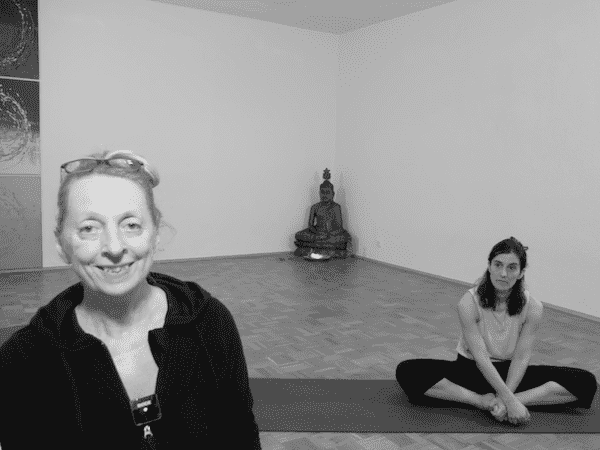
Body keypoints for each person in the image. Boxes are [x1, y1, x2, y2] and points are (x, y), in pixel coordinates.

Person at [0, 150, 261, 449]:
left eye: (131, 225)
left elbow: (241, 432)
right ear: (61, 244)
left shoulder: (210, 322)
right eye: (89, 228)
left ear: (155, 234)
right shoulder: (24, 360)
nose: (114, 247)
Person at [396, 237, 598, 425]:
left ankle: (504, 402)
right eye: (498, 265)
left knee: (586, 383)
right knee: (408, 371)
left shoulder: (534, 307)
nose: (503, 274)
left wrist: (507, 398)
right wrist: (505, 400)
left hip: (511, 374)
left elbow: (521, 357)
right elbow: (481, 357)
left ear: (521, 272)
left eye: (512, 267)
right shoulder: (468, 302)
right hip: (472, 371)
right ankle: (481, 401)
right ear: (489, 266)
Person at [294, 168, 352, 258]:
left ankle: (315, 248)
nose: (325, 195)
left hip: (332, 234)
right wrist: (317, 234)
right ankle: (323, 246)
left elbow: (339, 227)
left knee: (345, 237)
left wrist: (329, 234)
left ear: (333, 194)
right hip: (318, 233)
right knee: (299, 235)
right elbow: (310, 225)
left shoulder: (336, 207)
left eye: (327, 192)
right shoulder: (315, 207)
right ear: (319, 193)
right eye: (322, 192)